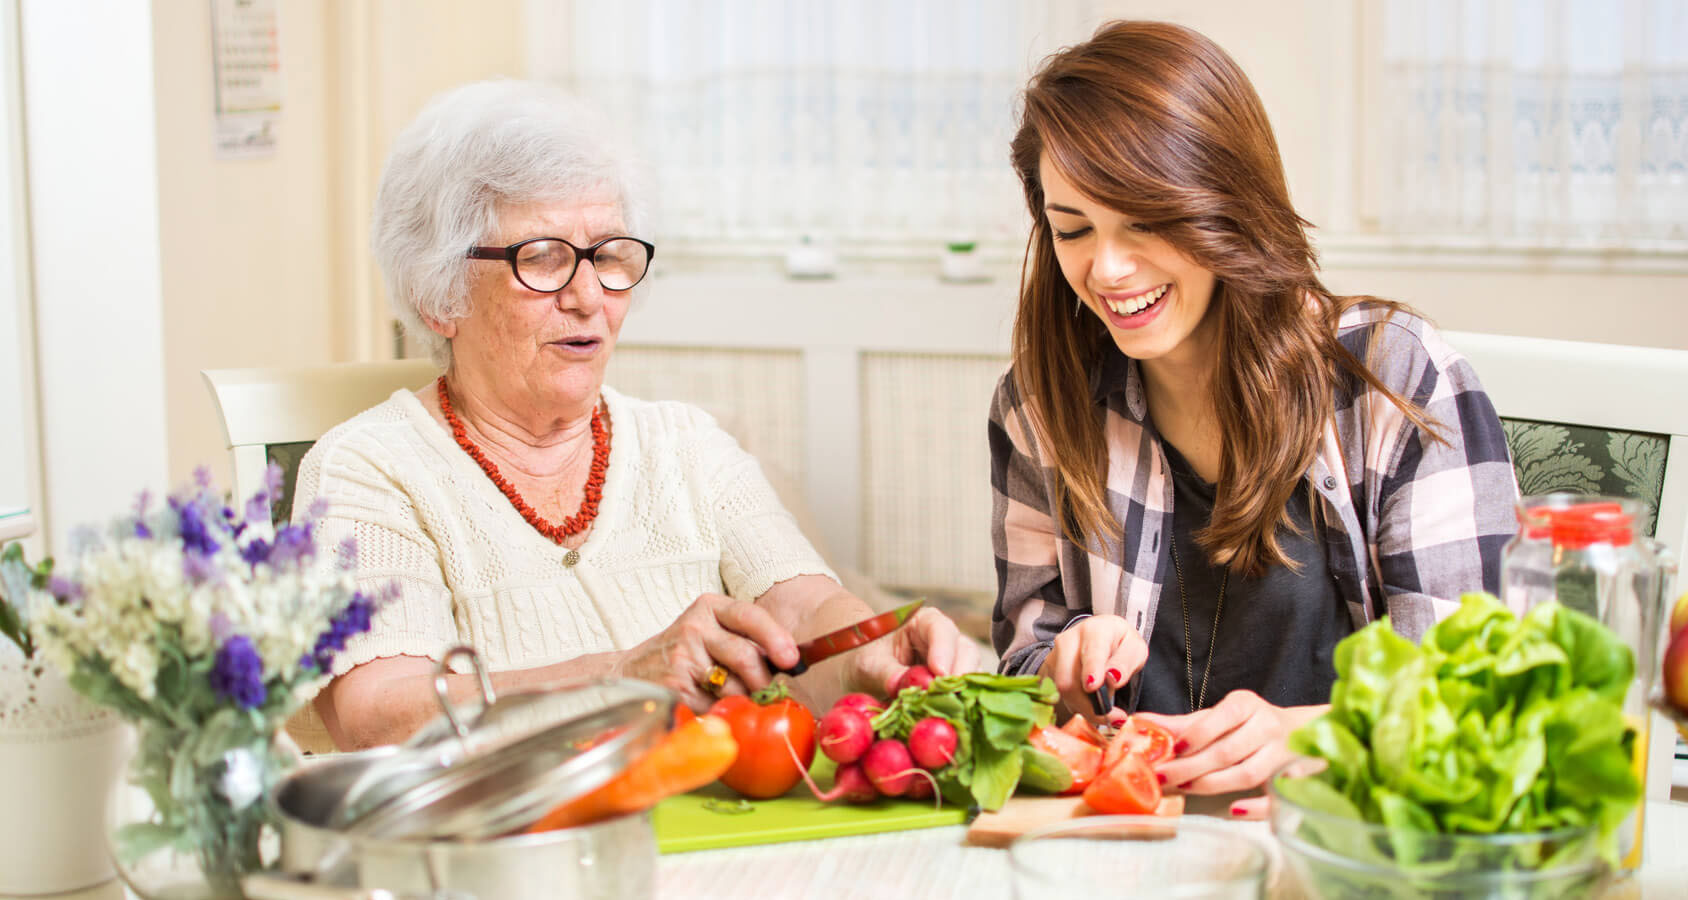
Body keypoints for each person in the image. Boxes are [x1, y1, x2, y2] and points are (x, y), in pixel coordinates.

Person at [295, 80, 978, 750]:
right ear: (438, 293)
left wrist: (867, 650)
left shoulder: (686, 443)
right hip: (514, 848)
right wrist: (619, 677)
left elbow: (801, 607)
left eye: (611, 255)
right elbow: (379, 713)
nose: (590, 296)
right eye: (543, 258)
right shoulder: (369, 469)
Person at [988, 21, 1517, 813]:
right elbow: (1022, 667)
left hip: (1341, 845)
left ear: (1223, 202)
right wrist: (1063, 663)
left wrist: (1315, 739)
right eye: (1073, 229)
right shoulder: (1038, 406)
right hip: (1128, 844)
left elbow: (1479, 698)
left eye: (1143, 219)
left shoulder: (1394, 378)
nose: (1107, 268)